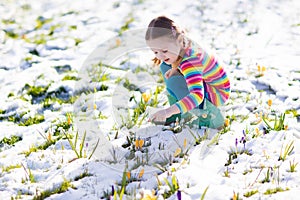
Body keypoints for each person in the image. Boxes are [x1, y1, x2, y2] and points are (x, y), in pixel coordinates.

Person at [145, 16, 231, 129]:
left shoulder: (190, 61)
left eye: (164, 51)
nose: (159, 56)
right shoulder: (182, 44)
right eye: (155, 51)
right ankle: (178, 111)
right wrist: (175, 69)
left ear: (179, 40)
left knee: (175, 81)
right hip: (206, 83)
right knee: (165, 66)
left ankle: (205, 116)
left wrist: (167, 112)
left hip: (215, 94)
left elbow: (197, 95)